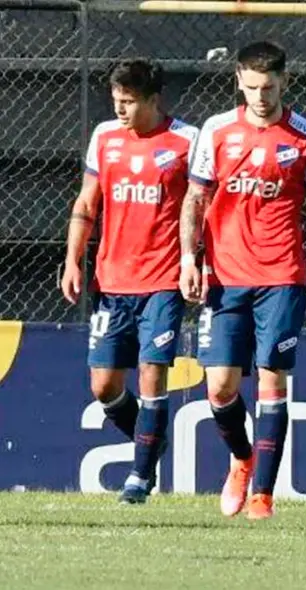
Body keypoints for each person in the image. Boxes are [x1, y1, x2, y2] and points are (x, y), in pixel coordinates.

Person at [179, 40, 306, 520]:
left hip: (282, 275)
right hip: (225, 278)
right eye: (251, 87)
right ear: (238, 81)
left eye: (268, 87)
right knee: (220, 389)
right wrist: (189, 258)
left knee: (274, 380)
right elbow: (194, 199)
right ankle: (242, 458)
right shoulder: (215, 131)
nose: (260, 97)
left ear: (284, 82)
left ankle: (263, 496)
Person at [61, 59, 198, 504]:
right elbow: (87, 201)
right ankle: (150, 438)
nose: (120, 109)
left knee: (151, 374)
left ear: (153, 99)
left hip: (161, 280)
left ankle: (139, 479)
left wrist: (195, 261)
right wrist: (72, 259)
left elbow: (201, 207)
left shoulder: (186, 141)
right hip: (112, 280)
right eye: (116, 101)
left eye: (129, 102)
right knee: (103, 386)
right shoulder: (104, 137)